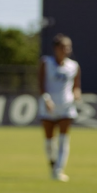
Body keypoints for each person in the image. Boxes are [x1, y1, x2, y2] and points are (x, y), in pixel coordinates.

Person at [38, 34, 81, 182]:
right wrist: (46, 99)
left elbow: (76, 87)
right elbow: (41, 84)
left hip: (66, 106)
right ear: (56, 48)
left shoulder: (73, 66)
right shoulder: (46, 62)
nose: (66, 50)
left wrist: (77, 95)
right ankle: (53, 163)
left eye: (68, 47)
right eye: (63, 47)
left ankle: (59, 170)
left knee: (64, 139)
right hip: (49, 105)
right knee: (50, 141)